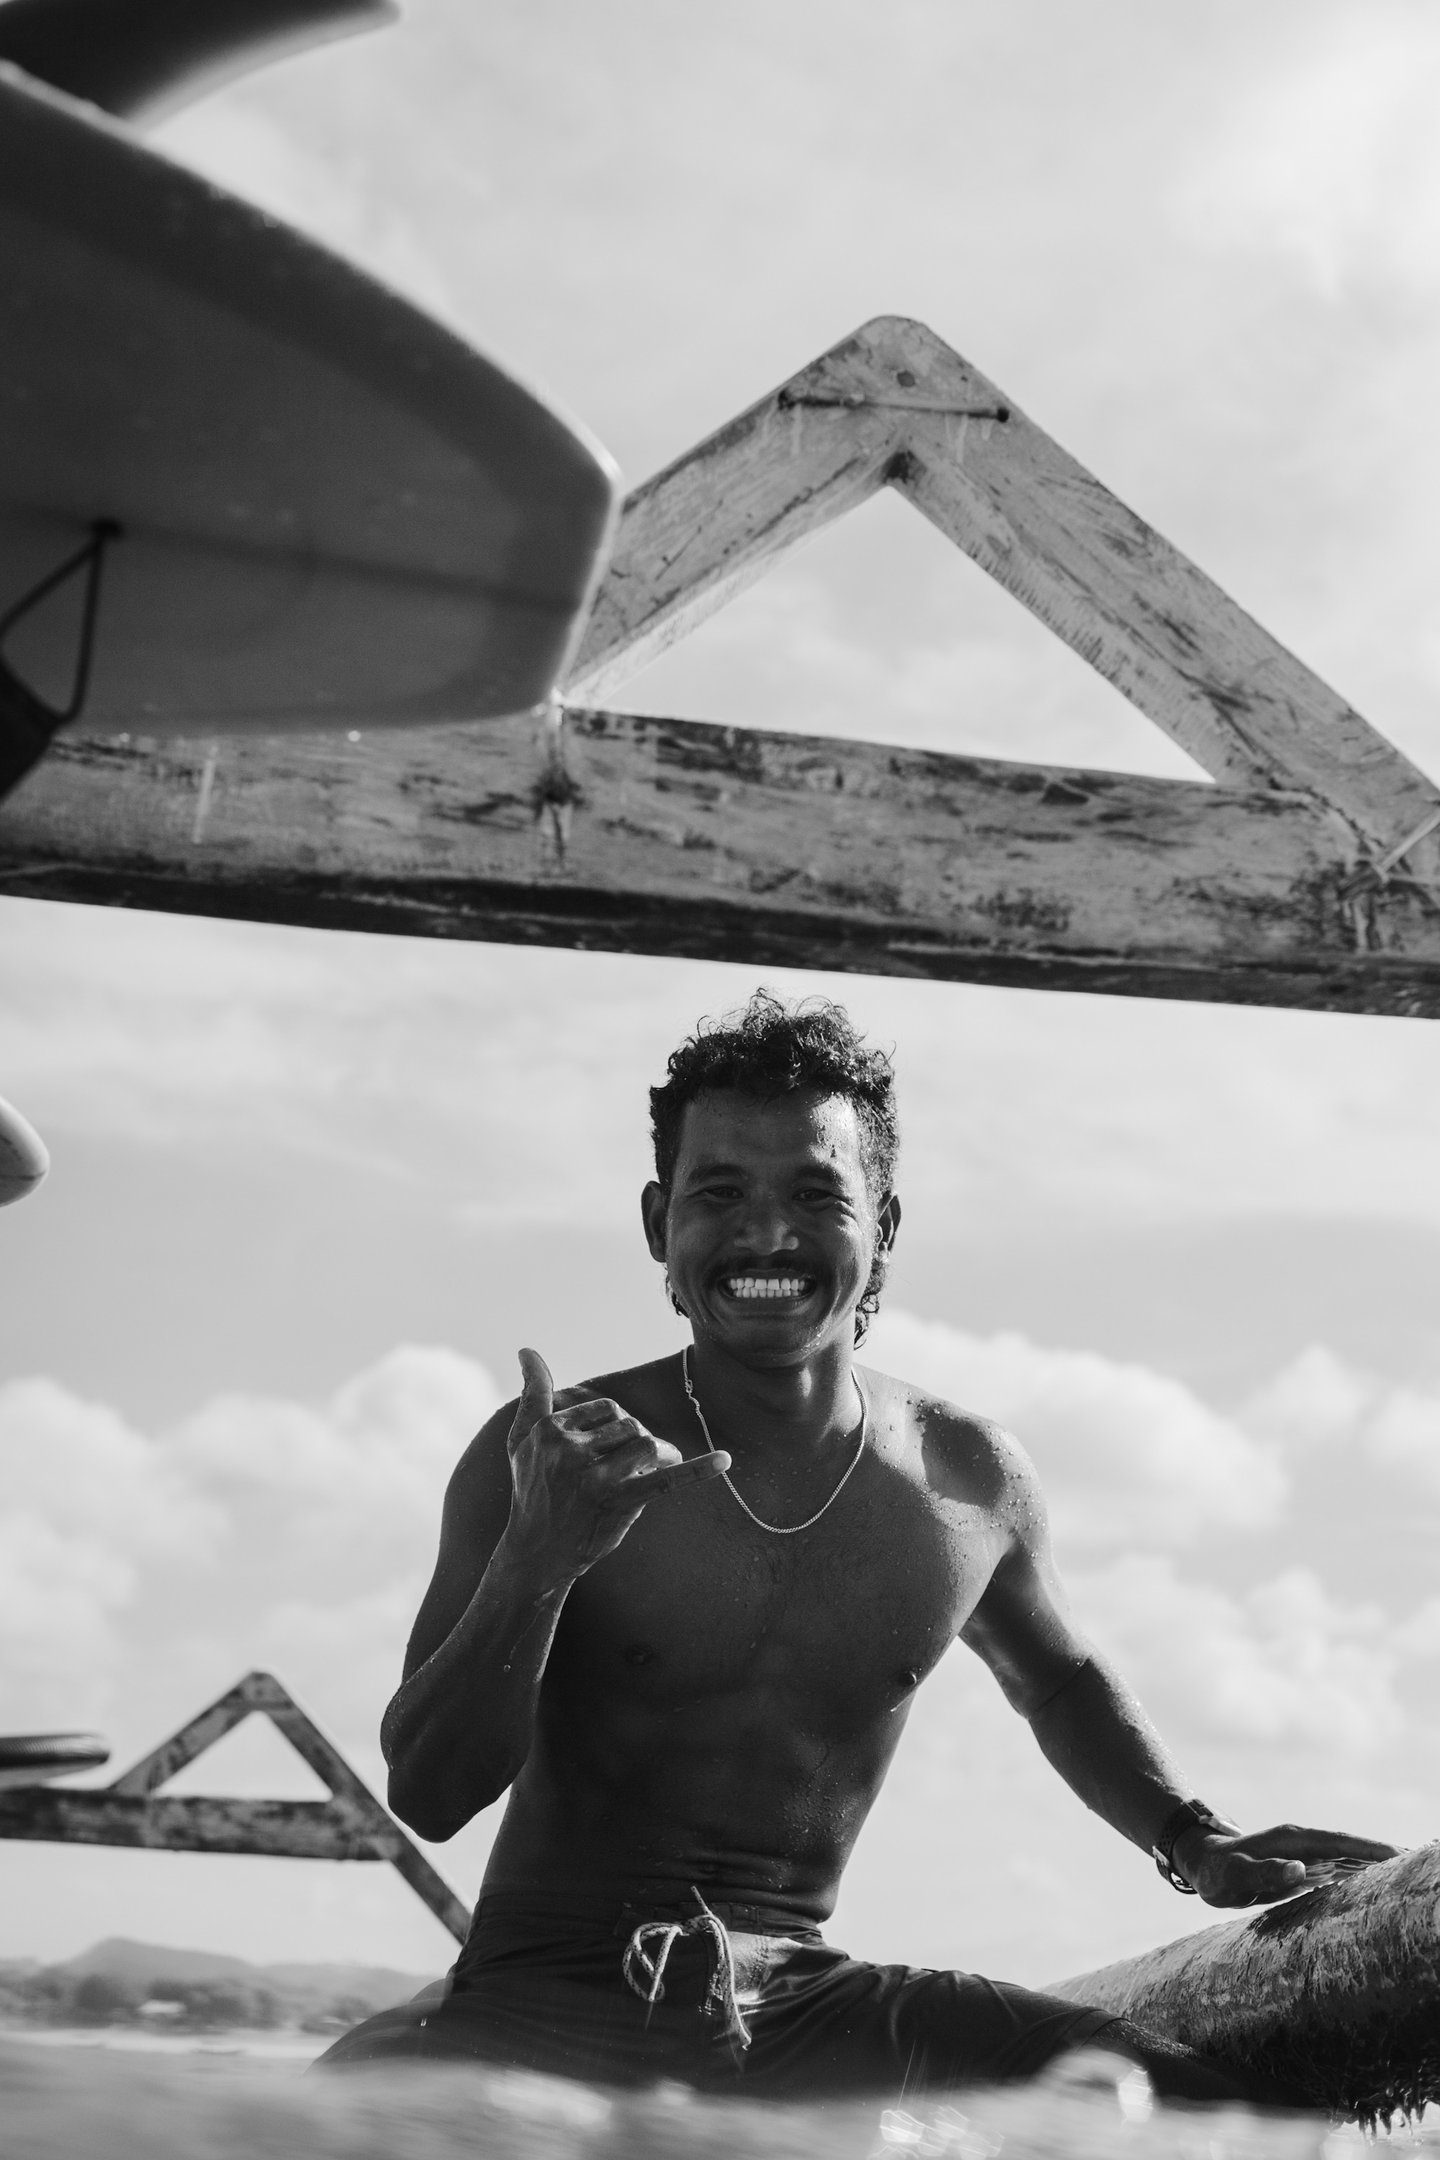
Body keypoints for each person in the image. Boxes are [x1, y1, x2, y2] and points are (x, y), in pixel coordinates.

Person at [320, 992, 1394, 2103]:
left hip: (807, 2003)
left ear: (883, 1224)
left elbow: (1059, 1678)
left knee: (1225, 2119)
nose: (765, 1235)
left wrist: (1194, 1839)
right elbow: (429, 1793)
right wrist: (539, 1561)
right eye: (719, 1193)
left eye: (815, 1194)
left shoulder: (969, 1480)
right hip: (541, 1997)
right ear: (657, 1223)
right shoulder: (552, 1455)